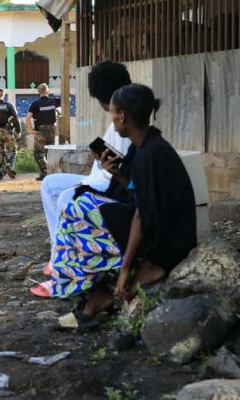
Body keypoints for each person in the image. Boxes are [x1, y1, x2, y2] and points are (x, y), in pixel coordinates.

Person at [38, 84, 197, 324]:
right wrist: (116, 172)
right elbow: (136, 189)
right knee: (76, 205)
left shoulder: (151, 154)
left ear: (122, 116)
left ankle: (98, 291)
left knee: (77, 211)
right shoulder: (145, 145)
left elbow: (143, 216)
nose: (112, 121)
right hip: (155, 226)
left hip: (165, 243)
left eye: (113, 114)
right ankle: (95, 292)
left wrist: (126, 267)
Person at [38, 61, 132, 277]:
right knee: (49, 184)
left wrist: (96, 172)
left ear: (102, 100)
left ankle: (66, 264)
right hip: (98, 178)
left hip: (112, 186)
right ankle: (57, 253)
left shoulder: (127, 119)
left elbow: (121, 171)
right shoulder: (114, 121)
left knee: (66, 196)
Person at [26, 83, 58, 181]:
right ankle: (53, 172)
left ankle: (45, 172)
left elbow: (28, 118)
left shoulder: (35, 104)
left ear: (38, 92)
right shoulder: (54, 101)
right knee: (51, 152)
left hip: (40, 130)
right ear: (48, 91)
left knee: (39, 153)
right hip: (52, 130)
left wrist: (31, 130)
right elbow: (67, 100)